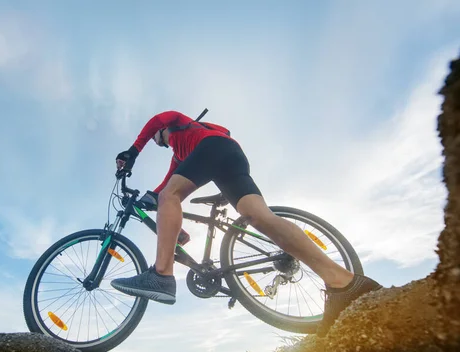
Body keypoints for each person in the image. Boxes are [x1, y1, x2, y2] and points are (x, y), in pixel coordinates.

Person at [111, 110, 382, 336]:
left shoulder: (176, 123)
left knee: (171, 195)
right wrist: (157, 208)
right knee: (259, 216)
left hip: (213, 149)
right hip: (231, 155)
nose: (159, 142)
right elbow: (163, 193)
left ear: (163, 132)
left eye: (159, 140)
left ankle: (161, 276)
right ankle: (344, 283)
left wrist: (133, 151)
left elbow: (156, 122)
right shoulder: (180, 156)